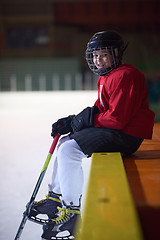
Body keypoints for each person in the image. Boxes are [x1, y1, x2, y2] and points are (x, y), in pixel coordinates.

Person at [29, 30, 155, 240]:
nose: (98, 59)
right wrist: (73, 121)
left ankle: (71, 211)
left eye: (103, 55)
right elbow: (100, 109)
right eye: (95, 55)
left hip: (126, 136)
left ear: (116, 54)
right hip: (115, 130)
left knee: (70, 150)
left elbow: (117, 119)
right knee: (65, 142)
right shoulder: (106, 77)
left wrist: (85, 120)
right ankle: (55, 199)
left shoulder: (126, 75)